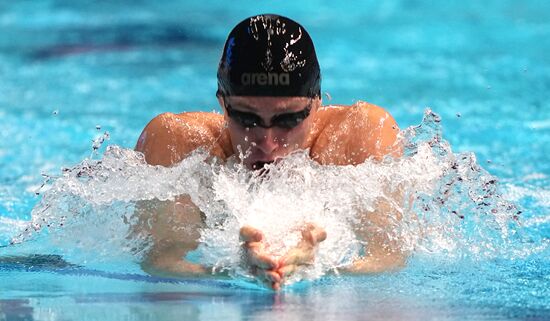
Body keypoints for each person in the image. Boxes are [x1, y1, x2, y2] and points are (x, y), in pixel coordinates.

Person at [135, 14, 404, 290]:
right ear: (223, 105)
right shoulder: (177, 143)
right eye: (247, 120)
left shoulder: (361, 135)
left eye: (287, 120)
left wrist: (320, 265)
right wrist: (230, 268)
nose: (267, 142)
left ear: (316, 105)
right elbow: (160, 263)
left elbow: (388, 258)